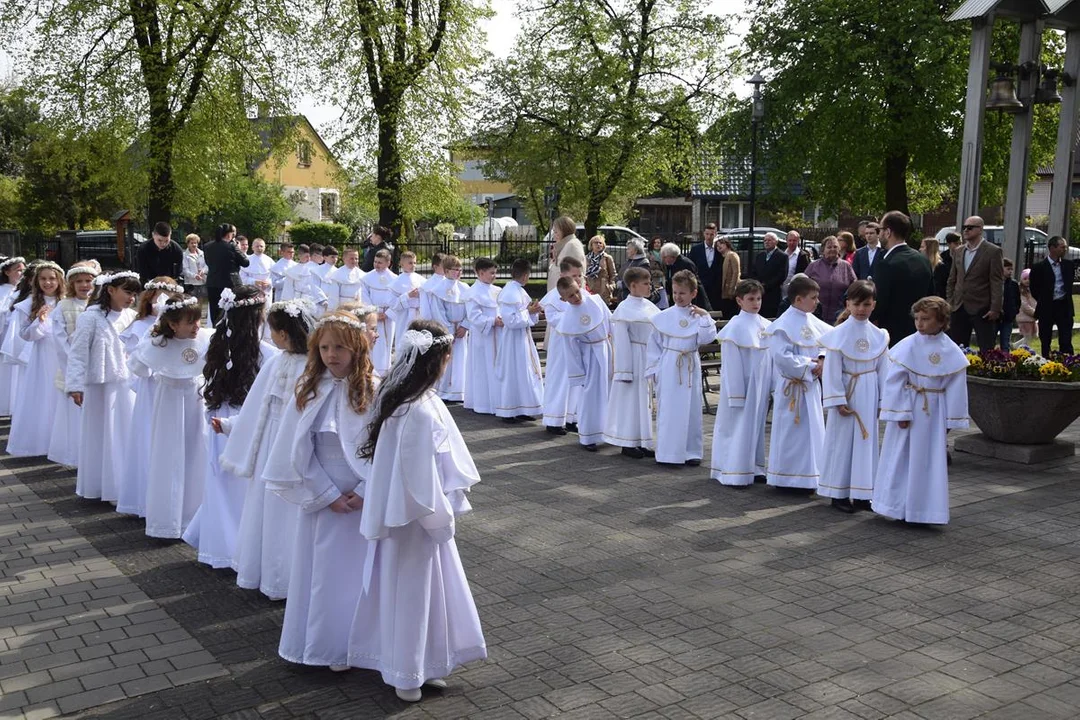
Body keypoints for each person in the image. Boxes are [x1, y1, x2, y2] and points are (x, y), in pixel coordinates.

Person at [353, 319, 486, 702]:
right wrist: (440, 520)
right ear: (442, 359)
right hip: (415, 520)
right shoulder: (418, 410)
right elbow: (418, 480)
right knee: (412, 593)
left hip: (404, 517)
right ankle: (407, 674)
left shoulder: (402, 399)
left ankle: (418, 665)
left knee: (416, 592)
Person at [263, 311, 376, 673]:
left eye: (340, 347)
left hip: (361, 498)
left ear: (357, 347)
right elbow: (297, 450)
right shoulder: (310, 389)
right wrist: (326, 493)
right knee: (324, 574)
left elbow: (385, 446)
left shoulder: (375, 388)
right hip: (324, 497)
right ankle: (327, 645)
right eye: (325, 347)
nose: (332, 354)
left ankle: (364, 643)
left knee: (362, 573)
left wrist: (365, 488)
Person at [221, 298, 314, 600]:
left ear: (285, 333)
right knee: (266, 507)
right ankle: (267, 572)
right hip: (271, 441)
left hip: (296, 445)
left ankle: (288, 577)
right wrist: (234, 425)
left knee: (289, 511)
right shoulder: (276, 362)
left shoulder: (314, 366)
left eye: (273, 330)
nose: (270, 336)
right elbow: (257, 405)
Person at [184, 285, 272, 569]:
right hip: (245, 423)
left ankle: (219, 546)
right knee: (242, 489)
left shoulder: (216, 345)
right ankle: (236, 550)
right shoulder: (266, 355)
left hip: (219, 419)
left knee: (221, 483)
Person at [873, 297, 969, 525]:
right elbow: (894, 381)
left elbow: (956, 385)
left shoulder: (951, 351)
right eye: (917, 318)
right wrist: (900, 414)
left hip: (934, 413)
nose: (920, 323)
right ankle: (897, 507)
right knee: (902, 458)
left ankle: (924, 512)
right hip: (910, 408)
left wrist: (950, 419)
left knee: (928, 462)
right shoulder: (908, 346)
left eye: (925, 319)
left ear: (941, 321)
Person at [130, 295, 211, 539]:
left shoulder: (205, 338)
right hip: (169, 403)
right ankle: (166, 520)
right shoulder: (158, 344)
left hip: (196, 402)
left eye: (198, 320)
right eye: (190, 322)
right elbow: (138, 367)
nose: (197, 326)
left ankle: (193, 515)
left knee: (196, 453)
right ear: (173, 325)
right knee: (169, 456)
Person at [65, 270, 140, 502]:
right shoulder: (91, 317)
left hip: (126, 385)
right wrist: (75, 385)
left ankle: (123, 486)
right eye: (127, 292)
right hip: (100, 386)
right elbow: (77, 352)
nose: (131, 298)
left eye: (135, 294)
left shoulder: (131, 317)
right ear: (110, 290)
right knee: (102, 435)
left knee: (123, 434)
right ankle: (101, 485)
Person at [817, 280, 889, 513]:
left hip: (869, 393)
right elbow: (832, 369)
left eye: (866, 304)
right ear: (848, 303)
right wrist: (837, 400)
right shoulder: (838, 335)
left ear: (874, 305)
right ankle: (838, 493)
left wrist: (883, 401)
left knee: (866, 443)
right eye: (856, 304)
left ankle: (861, 494)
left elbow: (883, 369)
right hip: (847, 393)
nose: (861, 309)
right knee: (842, 443)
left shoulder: (879, 336)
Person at [116, 277, 184, 517]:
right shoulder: (141, 326)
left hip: (175, 389)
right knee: (148, 437)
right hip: (151, 389)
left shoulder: (184, 326)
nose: (163, 299)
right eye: (159, 294)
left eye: (168, 295)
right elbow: (136, 362)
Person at [761, 275, 832, 490]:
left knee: (812, 432)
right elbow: (782, 357)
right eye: (814, 297)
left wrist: (822, 358)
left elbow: (828, 343)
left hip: (810, 387)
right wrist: (811, 366)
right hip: (791, 387)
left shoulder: (815, 322)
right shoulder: (782, 326)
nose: (817, 301)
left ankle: (810, 476)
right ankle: (785, 478)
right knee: (790, 433)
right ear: (799, 299)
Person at [645, 270, 715, 466]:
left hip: (690, 364)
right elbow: (654, 345)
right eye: (675, 292)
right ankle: (668, 453)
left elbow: (707, 337)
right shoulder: (663, 317)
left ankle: (691, 451)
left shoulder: (697, 316)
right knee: (669, 408)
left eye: (682, 293)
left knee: (691, 409)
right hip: (669, 365)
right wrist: (654, 369)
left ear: (693, 293)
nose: (678, 297)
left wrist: (705, 316)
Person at [710, 279, 771, 487]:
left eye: (759, 299)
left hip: (760, 385)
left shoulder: (766, 325)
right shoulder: (735, 327)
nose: (756, 303)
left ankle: (755, 467)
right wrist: (736, 393)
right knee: (737, 427)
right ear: (739, 300)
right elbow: (732, 365)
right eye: (751, 299)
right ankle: (733, 469)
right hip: (742, 387)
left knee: (756, 426)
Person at [7, 261, 66, 457]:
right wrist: (38, 322)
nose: (48, 283)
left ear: (59, 280)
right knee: (44, 394)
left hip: (63, 355)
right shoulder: (28, 304)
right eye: (43, 279)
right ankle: (43, 440)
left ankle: (62, 440)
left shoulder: (65, 302)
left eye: (51, 278)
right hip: (42, 355)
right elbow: (25, 335)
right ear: (36, 281)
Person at [47, 262, 100, 469]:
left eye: (88, 281)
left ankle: (93, 456)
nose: (84, 285)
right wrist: (76, 365)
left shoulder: (98, 307)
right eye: (79, 282)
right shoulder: (64, 306)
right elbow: (60, 341)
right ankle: (77, 457)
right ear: (71, 284)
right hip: (74, 368)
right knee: (75, 418)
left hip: (95, 368)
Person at [604, 266, 659, 458]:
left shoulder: (649, 306)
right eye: (645, 283)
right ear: (633, 286)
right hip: (633, 358)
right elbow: (621, 341)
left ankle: (643, 440)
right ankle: (627, 442)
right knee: (631, 401)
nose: (649, 286)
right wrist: (624, 370)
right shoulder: (624, 309)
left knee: (644, 401)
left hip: (646, 356)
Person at [554, 277, 612, 451]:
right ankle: (588, 435)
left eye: (577, 292)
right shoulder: (567, 320)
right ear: (563, 299)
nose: (576, 297)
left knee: (611, 392)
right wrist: (579, 373)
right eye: (571, 296)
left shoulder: (596, 301)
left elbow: (612, 322)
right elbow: (571, 349)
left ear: (579, 286)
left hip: (607, 349)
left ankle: (611, 432)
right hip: (590, 357)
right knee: (590, 395)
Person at [870, 211, 934, 346]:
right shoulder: (923, 260)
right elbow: (931, 297)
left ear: (888, 232)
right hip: (920, 331)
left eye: (880, 229)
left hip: (892, 335)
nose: (879, 234)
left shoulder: (886, 264)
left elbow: (880, 302)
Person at [495, 259, 544, 421]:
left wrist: (533, 311)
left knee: (524, 373)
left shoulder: (519, 291)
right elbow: (511, 320)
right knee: (513, 372)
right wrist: (529, 311)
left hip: (523, 338)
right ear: (525, 276)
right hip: (513, 340)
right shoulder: (510, 292)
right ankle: (509, 411)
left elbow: (526, 313)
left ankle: (523, 408)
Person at [946, 215, 1004, 350]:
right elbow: (952, 279)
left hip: (982, 308)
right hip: (959, 306)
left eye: (970, 227)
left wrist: (995, 308)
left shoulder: (993, 251)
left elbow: (996, 281)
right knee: (956, 349)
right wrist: (950, 302)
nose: (966, 230)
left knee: (986, 348)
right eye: (964, 227)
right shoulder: (959, 251)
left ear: (980, 230)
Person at [541, 258, 584, 434]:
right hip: (562, 344)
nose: (578, 279)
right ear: (563, 275)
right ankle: (554, 419)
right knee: (559, 380)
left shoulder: (582, 293)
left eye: (580, 275)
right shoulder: (553, 298)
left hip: (579, 344)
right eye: (574, 275)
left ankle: (571, 417)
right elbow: (554, 319)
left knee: (577, 382)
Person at [464, 258, 501, 415]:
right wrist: (492, 321)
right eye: (491, 273)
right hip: (482, 337)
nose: (494, 276)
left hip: (498, 335)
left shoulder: (497, 291)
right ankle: (483, 403)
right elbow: (474, 317)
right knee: (482, 369)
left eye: (495, 273)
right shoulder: (473, 293)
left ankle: (498, 401)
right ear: (480, 273)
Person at [430, 255, 469, 402]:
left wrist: (465, 325)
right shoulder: (439, 289)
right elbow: (438, 311)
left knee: (461, 360)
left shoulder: (465, 288)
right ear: (446, 271)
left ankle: (459, 391)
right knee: (446, 360)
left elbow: (470, 310)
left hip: (461, 330)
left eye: (460, 270)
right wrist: (449, 331)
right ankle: (444, 391)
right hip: (448, 330)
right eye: (455, 270)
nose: (458, 273)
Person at [1029, 235, 1076, 357]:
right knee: (1045, 338)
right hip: (1047, 307)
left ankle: (1068, 362)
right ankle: (1046, 361)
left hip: (1064, 307)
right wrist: (1044, 300)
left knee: (1066, 338)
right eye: (1062, 247)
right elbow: (1034, 288)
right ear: (1052, 248)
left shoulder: (1068, 265)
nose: (1065, 249)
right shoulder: (1039, 267)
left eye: (1065, 247)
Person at [359, 249, 398, 376]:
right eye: (375, 262)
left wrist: (388, 314)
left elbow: (397, 299)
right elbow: (364, 296)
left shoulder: (395, 279)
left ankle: (385, 371)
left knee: (386, 342)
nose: (376, 264)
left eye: (380, 262)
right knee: (372, 342)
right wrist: (374, 313)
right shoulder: (366, 278)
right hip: (373, 314)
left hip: (388, 315)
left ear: (388, 263)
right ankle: (371, 368)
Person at [805, 236, 857, 323]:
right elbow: (803, 287)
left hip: (839, 315)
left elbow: (854, 288)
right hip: (816, 314)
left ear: (839, 249)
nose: (832, 249)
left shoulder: (846, 266)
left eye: (835, 247)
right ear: (823, 250)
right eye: (829, 247)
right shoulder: (813, 266)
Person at [0, 256, 26, 416]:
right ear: (7, 272)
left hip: (18, 334)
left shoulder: (21, 291)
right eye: (18, 270)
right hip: (4, 334)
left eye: (23, 269)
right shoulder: (3, 290)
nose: (21, 273)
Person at [388, 251, 424, 351]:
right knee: (403, 342)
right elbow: (392, 303)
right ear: (402, 264)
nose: (413, 265)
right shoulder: (396, 282)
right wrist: (408, 296)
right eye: (410, 263)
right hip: (404, 316)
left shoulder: (421, 280)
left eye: (414, 263)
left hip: (418, 315)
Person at [659, 243, 711, 311]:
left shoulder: (684, 264)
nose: (663, 259)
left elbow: (691, 284)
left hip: (693, 301)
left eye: (665, 257)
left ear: (672, 256)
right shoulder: (672, 265)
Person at [687, 223, 724, 310]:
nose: (709, 237)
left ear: (715, 234)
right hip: (701, 285)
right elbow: (691, 266)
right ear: (704, 234)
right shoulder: (696, 249)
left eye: (712, 234)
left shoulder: (719, 250)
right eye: (707, 234)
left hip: (715, 287)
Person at [751, 232, 788, 318]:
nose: (766, 242)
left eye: (769, 240)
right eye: (765, 240)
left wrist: (767, 285)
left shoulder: (782, 256)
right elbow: (753, 271)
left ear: (776, 242)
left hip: (773, 293)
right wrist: (757, 284)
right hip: (759, 292)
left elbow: (782, 275)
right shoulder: (760, 255)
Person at [546, 216, 586, 292]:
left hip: (566, 296)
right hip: (560, 294)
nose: (554, 235)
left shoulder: (572, 245)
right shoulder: (565, 245)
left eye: (556, 232)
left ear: (564, 230)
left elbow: (576, 274)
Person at [584, 235, 617, 304]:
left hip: (603, 290)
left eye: (600, 243)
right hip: (590, 288)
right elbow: (582, 273)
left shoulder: (607, 258)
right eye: (596, 243)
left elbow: (613, 274)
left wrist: (611, 286)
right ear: (591, 245)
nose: (598, 244)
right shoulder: (586, 258)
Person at [240, 238, 275, 303]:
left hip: (266, 291)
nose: (259, 248)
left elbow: (274, 276)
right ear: (252, 247)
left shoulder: (270, 261)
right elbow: (242, 276)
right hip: (251, 290)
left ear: (264, 247)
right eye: (257, 246)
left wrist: (269, 282)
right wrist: (254, 281)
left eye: (261, 246)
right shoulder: (247, 260)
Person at [781, 231, 812, 297]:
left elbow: (806, 274)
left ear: (798, 241)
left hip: (796, 292)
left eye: (794, 240)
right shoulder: (781, 254)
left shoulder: (803, 256)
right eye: (790, 240)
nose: (792, 242)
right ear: (786, 240)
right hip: (781, 292)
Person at [998, 259, 1020, 351]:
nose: (1010, 271)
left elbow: (1017, 300)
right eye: (1008, 269)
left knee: (1005, 342)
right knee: (990, 342)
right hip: (996, 317)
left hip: (1008, 318)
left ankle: (1006, 361)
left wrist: (1014, 311)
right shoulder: (996, 282)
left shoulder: (1013, 284)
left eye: (1011, 269)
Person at [717, 237, 741, 319]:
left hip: (730, 291)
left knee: (730, 312)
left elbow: (736, 272)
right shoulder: (721, 257)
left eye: (721, 243)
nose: (719, 246)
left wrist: (732, 288)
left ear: (727, 244)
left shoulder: (732, 255)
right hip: (723, 291)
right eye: (717, 245)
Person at [419, 252, 446, 320]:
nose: (447, 268)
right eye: (444, 266)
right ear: (435, 267)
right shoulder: (427, 286)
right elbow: (425, 308)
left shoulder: (450, 281)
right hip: (435, 321)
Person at [1016, 268, 1037, 348]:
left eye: (1029, 279)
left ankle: (1016, 346)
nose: (1027, 281)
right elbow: (1024, 305)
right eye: (1025, 279)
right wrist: (1034, 312)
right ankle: (1022, 349)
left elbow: (1034, 302)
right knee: (1028, 336)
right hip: (1024, 318)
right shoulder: (1021, 291)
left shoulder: (1031, 290)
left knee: (1031, 336)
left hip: (1030, 317)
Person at [182, 233, 208, 298]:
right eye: (192, 243)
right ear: (188, 244)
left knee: (202, 303)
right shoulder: (184, 255)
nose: (194, 245)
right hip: (191, 283)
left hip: (202, 282)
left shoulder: (202, 253)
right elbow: (185, 270)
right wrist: (194, 276)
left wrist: (203, 271)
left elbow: (207, 265)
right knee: (192, 304)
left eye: (195, 243)